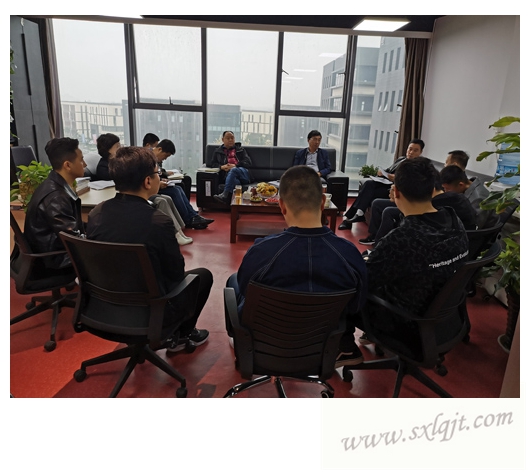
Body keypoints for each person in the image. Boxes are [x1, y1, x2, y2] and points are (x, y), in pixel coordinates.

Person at [226, 165, 368, 360]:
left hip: (266, 346)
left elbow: (245, 290)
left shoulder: (261, 252)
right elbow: (356, 305)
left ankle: (240, 340)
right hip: (325, 347)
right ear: (322, 203)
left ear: (281, 205)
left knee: (233, 281)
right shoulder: (349, 255)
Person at [338, 157, 469, 362]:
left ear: (396, 192)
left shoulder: (403, 239)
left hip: (406, 322)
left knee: (343, 286)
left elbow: (363, 280)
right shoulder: (454, 220)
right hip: (443, 320)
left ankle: (346, 348)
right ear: (433, 189)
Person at [86, 146, 212, 352]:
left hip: (103, 308)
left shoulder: (96, 214)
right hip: (149, 313)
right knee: (202, 276)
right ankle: (180, 337)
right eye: (157, 173)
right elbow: (175, 274)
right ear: (147, 181)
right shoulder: (158, 222)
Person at [359, 168, 477, 246]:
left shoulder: (408, 235)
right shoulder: (457, 202)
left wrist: (401, 202)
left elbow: (413, 221)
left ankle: (376, 245)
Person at [24, 137, 86, 270]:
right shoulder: (57, 197)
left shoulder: (52, 184)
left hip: (51, 253)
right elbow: (74, 240)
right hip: (54, 261)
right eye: (81, 160)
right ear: (67, 165)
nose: (85, 164)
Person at [339, 139, 425, 230]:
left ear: (420, 152)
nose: (411, 152)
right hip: (386, 184)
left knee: (366, 194)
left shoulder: (419, 167)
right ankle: (359, 213)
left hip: (395, 191)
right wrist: (382, 173)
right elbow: (389, 170)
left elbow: (411, 183)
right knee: (368, 184)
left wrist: (396, 178)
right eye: (410, 149)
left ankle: (350, 218)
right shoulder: (401, 159)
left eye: (415, 150)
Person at [153, 139, 214, 230]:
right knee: (174, 191)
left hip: (155, 185)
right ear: (159, 149)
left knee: (178, 188)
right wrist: (158, 184)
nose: (165, 159)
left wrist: (162, 180)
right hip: (151, 188)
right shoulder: (147, 159)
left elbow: (156, 175)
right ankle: (189, 220)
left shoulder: (154, 159)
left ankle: (193, 216)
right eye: (165, 156)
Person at [440, 165, 498, 229]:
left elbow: (475, 226)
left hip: (479, 233)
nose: (445, 191)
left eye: (447, 189)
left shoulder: (478, 199)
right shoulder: (466, 188)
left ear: (461, 185)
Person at [143, 133, 192, 200]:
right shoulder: (145, 159)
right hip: (151, 187)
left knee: (179, 187)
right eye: (154, 146)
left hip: (157, 181)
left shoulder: (153, 158)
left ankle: (188, 207)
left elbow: (157, 172)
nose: (154, 149)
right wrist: (159, 182)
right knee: (176, 190)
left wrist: (161, 179)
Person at [211, 131, 254, 204]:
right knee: (235, 183)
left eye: (232, 138)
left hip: (243, 174)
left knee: (234, 170)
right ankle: (234, 206)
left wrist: (235, 165)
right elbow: (212, 164)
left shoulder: (241, 150)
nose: (230, 140)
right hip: (228, 176)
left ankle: (225, 195)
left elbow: (248, 162)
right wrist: (221, 167)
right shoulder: (217, 152)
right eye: (228, 138)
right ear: (223, 139)